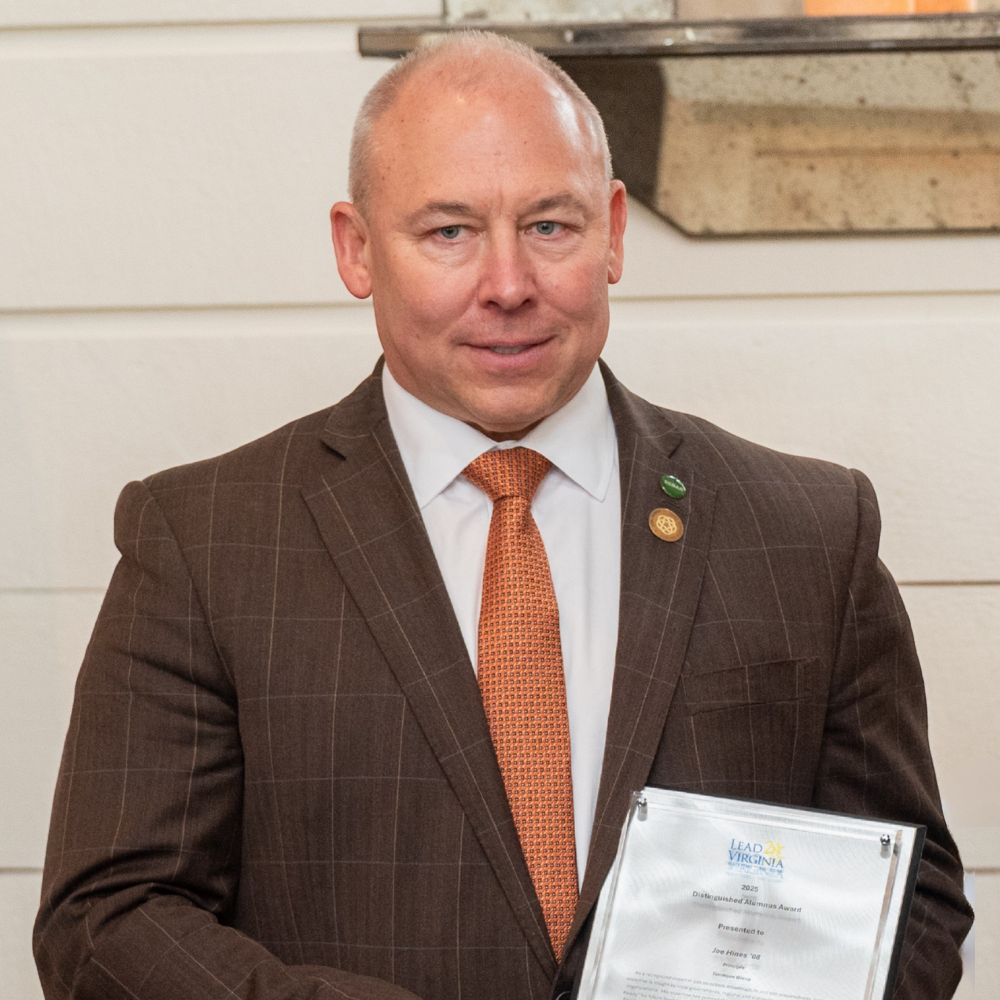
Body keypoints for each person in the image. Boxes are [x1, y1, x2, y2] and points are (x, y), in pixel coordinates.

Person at [34, 30, 972, 1000]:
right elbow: (107, 921)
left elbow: (912, 901)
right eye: (449, 232)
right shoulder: (203, 541)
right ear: (357, 249)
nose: (509, 285)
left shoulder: (810, 532)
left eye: (550, 226)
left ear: (613, 232)